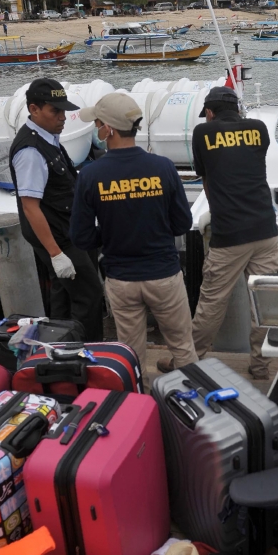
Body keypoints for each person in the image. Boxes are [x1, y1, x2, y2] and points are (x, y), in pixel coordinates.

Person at [70, 93, 197, 379]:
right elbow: (182, 224)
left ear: (109, 129)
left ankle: (140, 407)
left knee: (131, 355)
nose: (97, 129)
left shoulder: (90, 175)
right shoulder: (163, 167)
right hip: (164, 275)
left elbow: (81, 237)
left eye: (98, 123)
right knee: (183, 346)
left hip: (122, 280)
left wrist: (111, 234)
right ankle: (197, 409)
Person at [158, 86, 278, 380]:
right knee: (263, 305)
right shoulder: (259, 128)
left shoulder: (203, 133)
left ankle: (189, 360)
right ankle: (261, 366)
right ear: (237, 109)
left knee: (212, 303)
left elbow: (207, 178)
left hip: (230, 235)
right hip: (266, 229)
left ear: (210, 113)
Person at [9, 78, 103, 340]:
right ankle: (90, 351)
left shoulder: (47, 138)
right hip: (59, 237)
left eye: (63, 110)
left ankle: (58, 346)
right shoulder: (30, 150)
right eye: (55, 111)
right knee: (89, 294)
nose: (62, 117)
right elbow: (30, 207)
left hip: (64, 230)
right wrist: (56, 253)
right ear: (34, 109)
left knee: (63, 292)